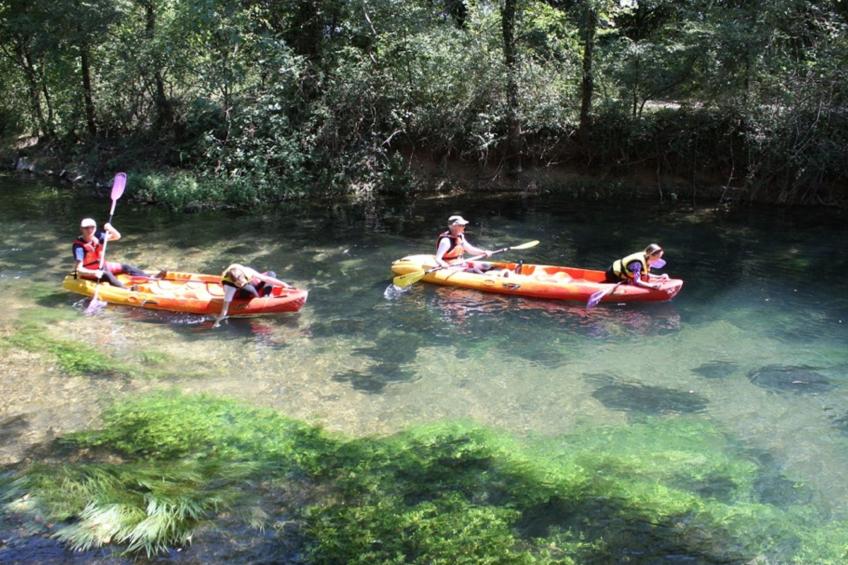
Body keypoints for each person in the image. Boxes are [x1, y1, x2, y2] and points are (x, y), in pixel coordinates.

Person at [72, 218, 153, 288]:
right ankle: (126, 289)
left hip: (103, 266)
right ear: (81, 229)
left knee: (126, 267)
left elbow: (117, 236)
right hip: (90, 272)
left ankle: (150, 278)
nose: (90, 230)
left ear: (95, 228)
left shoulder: (98, 236)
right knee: (106, 274)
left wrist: (110, 228)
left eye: (92, 227)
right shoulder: (79, 247)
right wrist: (95, 272)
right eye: (86, 228)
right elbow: (79, 270)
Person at [214, 263, 293, 326]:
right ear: (234, 282)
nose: (240, 285)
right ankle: (259, 299)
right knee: (248, 288)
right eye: (238, 284)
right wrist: (217, 322)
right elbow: (225, 309)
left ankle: (266, 296)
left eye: (241, 282)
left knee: (271, 274)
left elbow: (266, 279)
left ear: (244, 276)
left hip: (248, 282)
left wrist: (285, 285)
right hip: (239, 294)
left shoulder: (247, 271)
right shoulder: (229, 287)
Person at [604, 243, 670, 290]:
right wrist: (651, 286)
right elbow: (637, 281)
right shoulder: (637, 263)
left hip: (622, 273)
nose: (659, 259)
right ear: (651, 255)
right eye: (658, 257)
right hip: (613, 275)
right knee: (632, 285)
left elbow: (643, 273)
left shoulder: (646, 256)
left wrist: (660, 277)